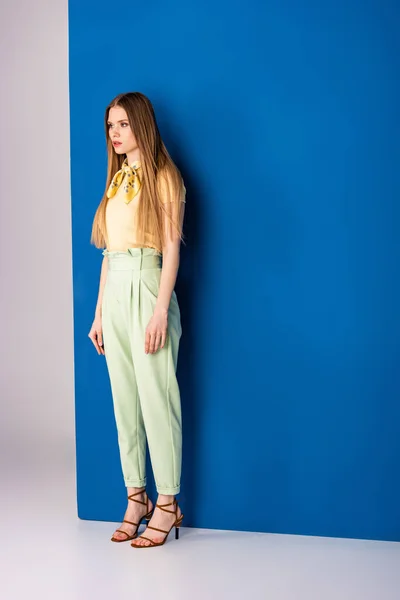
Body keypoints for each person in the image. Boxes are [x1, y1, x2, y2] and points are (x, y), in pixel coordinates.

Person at [88, 92, 186, 548]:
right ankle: (136, 497)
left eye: (123, 124)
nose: (115, 133)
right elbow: (109, 252)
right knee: (124, 402)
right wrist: (98, 314)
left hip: (148, 287)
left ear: (142, 125)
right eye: (111, 126)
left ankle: (168, 503)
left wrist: (160, 309)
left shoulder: (165, 178)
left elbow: (170, 249)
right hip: (116, 291)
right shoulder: (116, 180)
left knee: (156, 398)